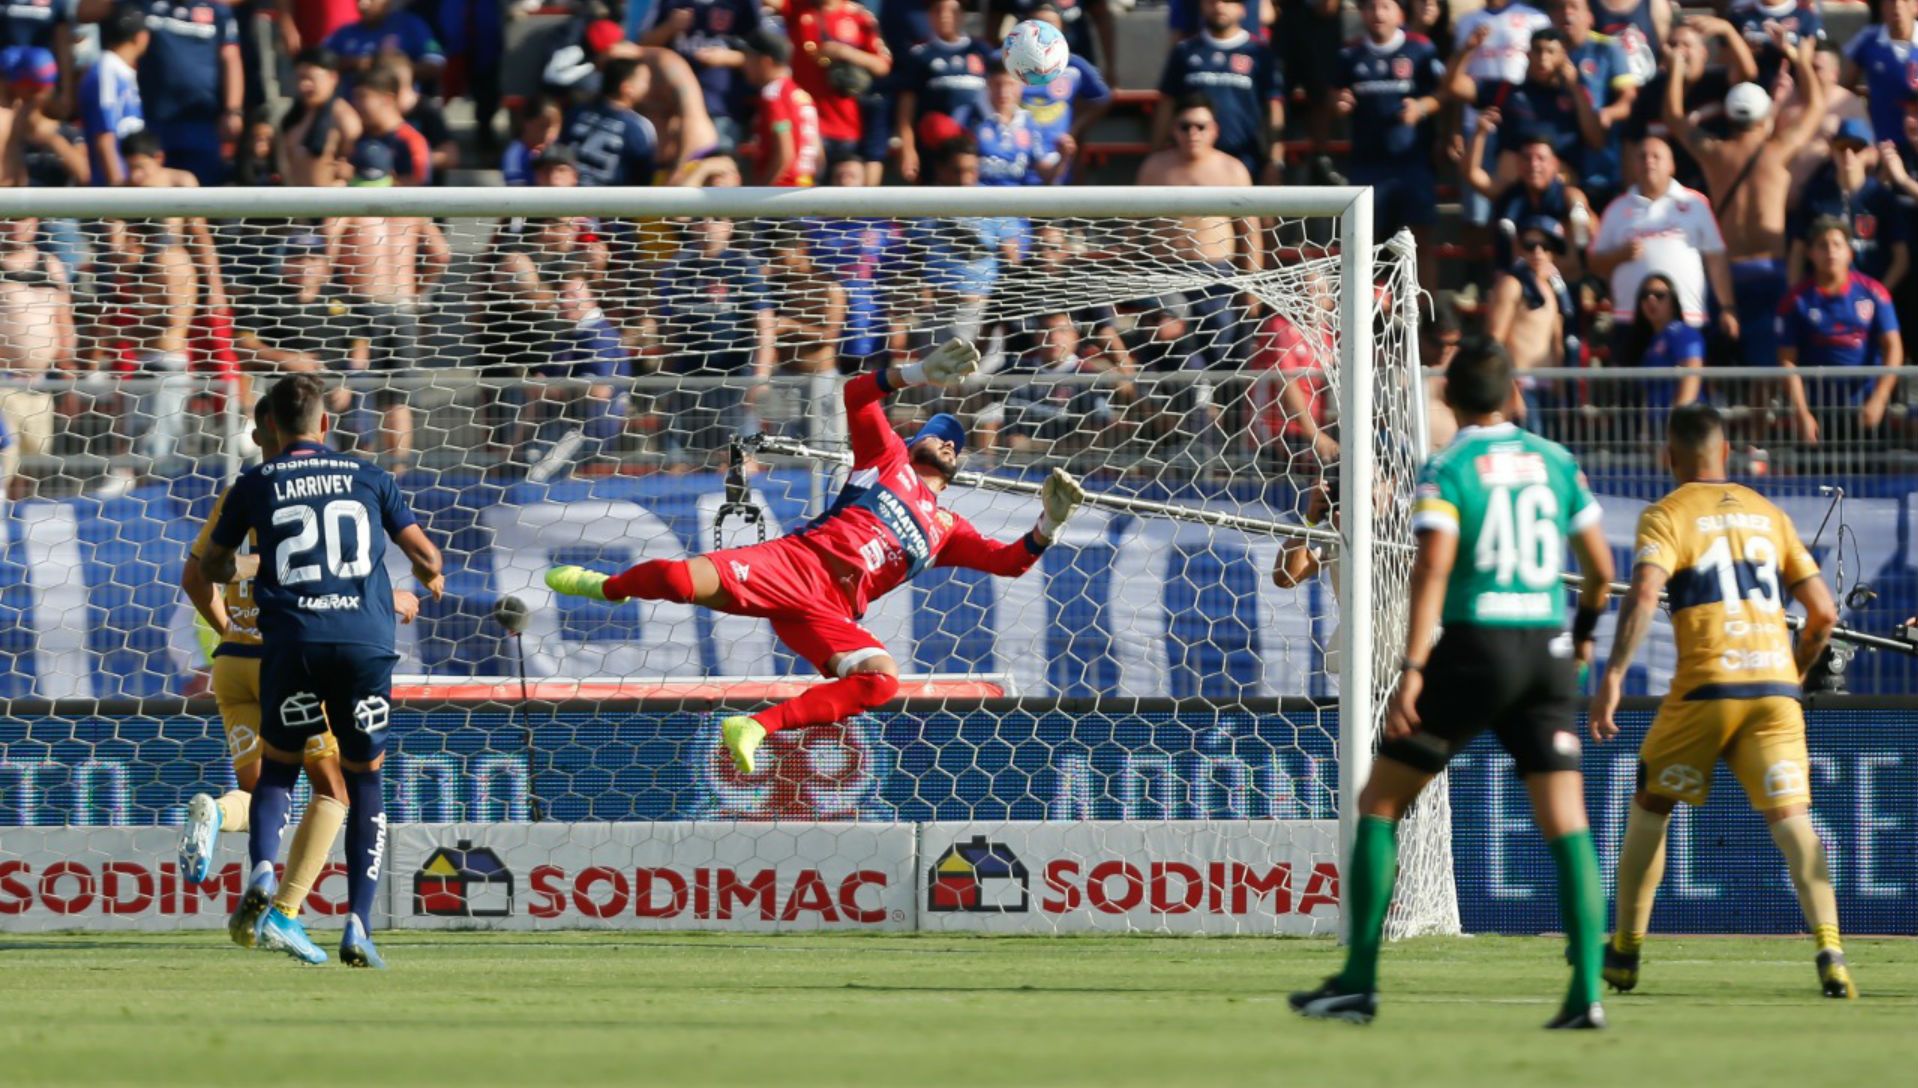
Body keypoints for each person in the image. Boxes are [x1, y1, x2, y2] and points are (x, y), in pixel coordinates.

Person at [544, 340, 1086, 775]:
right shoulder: (887, 458)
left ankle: (756, 727)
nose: (948, 443)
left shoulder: (948, 528)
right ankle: (605, 587)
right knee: (675, 578)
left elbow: (1011, 561)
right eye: (939, 434)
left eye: (955, 443)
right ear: (915, 438)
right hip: (794, 563)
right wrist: (918, 372)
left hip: (829, 611)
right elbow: (856, 394)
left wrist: (1051, 523)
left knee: (880, 681)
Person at [1290, 338, 1613, 1028]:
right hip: (1547, 650)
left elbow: (1431, 567)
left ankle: (1358, 978)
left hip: (1474, 649)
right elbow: (1601, 570)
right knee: (1568, 823)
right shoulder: (1558, 462)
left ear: (1449, 401)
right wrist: (1582, 639)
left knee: (1379, 802)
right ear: (1516, 395)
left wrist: (1412, 668)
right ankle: (1586, 990)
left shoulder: (1450, 466)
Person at [1589, 402, 1852, 1000]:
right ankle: (1831, 951)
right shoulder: (1770, 513)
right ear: (1727, 453)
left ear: (1668, 458)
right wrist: (1797, 670)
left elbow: (1646, 591)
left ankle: (1627, 949)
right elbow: (1823, 614)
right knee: (1793, 823)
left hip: (1707, 686)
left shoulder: (1666, 514)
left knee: (1651, 805)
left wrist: (1613, 676)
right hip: (1774, 690)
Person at [200, 374, 444, 968]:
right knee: (361, 784)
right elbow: (426, 556)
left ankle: (262, 869)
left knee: (279, 774)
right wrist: (428, 580)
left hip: (290, 648)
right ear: (325, 425)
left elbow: (209, 564)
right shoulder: (371, 477)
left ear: (271, 430)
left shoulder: (253, 483)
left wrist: (246, 568)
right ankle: (358, 926)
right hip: (364, 647)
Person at [1664, 30, 1824, 367]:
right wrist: (1800, 59)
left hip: (1729, 270)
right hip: (1773, 267)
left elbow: (1674, 118)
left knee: (1729, 362)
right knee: (1770, 362)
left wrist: (1676, 67)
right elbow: (1815, 106)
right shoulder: (1777, 152)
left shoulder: (1714, 154)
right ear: (1765, 114)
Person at [326, 140, 450, 467]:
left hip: (363, 307)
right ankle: (398, 477)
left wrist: (337, 190)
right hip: (404, 307)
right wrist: (416, 289)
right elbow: (441, 254)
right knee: (396, 400)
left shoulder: (349, 202)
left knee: (358, 394)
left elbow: (328, 244)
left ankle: (361, 470)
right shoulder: (411, 206)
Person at [1136, 94, 1262, 373]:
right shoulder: (1154, 168)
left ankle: (1217, 412)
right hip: (1165, 274)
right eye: (1185, 126)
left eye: (1201, 126)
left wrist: (1250, 285)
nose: (1193, 132)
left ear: (1214, 129)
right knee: (1169, 354)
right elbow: (1135, 230)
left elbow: (1249, 233)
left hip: (1217, 274)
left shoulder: (1232, 169)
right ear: (1173, 129)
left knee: (1221, 352)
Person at [1589, 137, 1739, 359]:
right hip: (1631, 319)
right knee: (1634, 392)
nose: (1649, 161)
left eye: (1656, 156)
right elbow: (1593, 264)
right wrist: (1619, 256)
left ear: (1671, 165)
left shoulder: (1695, 203)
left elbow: (1715, 258)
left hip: (1688, 316)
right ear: (1633, 165)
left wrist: (1727, 308)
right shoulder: (1617, 208)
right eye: (1642, 156)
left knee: (1688, 388)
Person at [1334, 0, 1445, 277]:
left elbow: (1445, 94)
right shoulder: (1350, 53)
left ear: (1400, 13)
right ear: (1362, 13)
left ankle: (1425, 312)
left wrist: (1421, 108)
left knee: (1419, 240)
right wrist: (1338, 102)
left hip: (1413, 161)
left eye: (1385, 6)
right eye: (1371, 7)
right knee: (1362, 240)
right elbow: (1334, 95)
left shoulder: (1420, 48)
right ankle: (1365, 313)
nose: (1378, 14)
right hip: (1368, 163)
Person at [1775, 217, 1904, 450]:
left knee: (1869, 484)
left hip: (1866, 407)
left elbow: (1893, 346)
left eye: (1837, 244)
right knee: (1816, 485)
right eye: (1822, 245)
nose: (1830, 252)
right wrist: (1802, 413)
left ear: (1849, 253)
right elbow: (1787, 361)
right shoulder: (1795, 301)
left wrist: (1880, 398)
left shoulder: (1873, 292)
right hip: (1818, 412)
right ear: (1811, 254)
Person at [1445, 27, 1606, 181]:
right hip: (1515, 189)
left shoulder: (1577, 97)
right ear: (1528, 54)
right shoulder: (1508, 91)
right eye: (1537, 50)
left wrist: (1575, 89)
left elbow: (1596, 141)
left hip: (1559, 192)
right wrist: (1467, 50)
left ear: (1563, 56)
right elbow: (1453, 86)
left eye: (1551, 52)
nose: (1543, 57)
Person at [1153, 0, 1285, 182]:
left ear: (1242, 8)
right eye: (1212, 1)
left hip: (1247, 161)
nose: (1219, 6)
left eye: (1228, 1)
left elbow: (1274, 107)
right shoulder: (1184, 52)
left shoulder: (1260, 54)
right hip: (1191, 165)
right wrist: (1156, 151)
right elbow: (1167, 103)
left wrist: (1275, 160)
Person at [1623, 16, 1756, 192]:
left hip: (1713, 188)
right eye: (1673, 45)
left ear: (1704, 52)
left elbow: (1749, 74)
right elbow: (1631, 144)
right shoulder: (1651, 91)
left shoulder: (1717, 83)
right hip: (1666, 195)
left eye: (1686, 45)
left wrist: (1728, 30)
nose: (1679, 51)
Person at [1789, 118, 1908, 291]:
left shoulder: (1882, 198)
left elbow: (1901, 258)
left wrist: (1878, 295)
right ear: (1832, 150)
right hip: (1824, 300)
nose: (1848, 155)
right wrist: (1796, 297)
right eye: (1842, 147)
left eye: (1856, 148)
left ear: (1870, 152)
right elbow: (1798, 251)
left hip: (1869, 299)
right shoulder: (1815, 195)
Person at [133, 0, 242, 187]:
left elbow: (231, 59)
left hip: (201, 123)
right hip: (154, 122)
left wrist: (233, 110)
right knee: (157, 198)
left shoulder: (217, 11)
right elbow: (87, 12)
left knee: (203, 196)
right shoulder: (145, 6)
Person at [1483, 214, 1578, 425]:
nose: (1538, 252)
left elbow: (1556, 342)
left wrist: (1561, 390)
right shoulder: (1511, 284)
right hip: (1523, 387)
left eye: (1545, 246)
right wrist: (1512, 390)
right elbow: (1494, 341)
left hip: (1548, 390)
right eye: (1530, 245)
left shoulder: (1551, 288)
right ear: (1518, 247)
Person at [638, 0, 767, 149]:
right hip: (672, 109)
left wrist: (728, 57)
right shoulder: (668, 3)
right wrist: (668, 27)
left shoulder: (744, 5)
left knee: (713, 163)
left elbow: (765, 59)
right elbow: (642, 47)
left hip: (721, 109)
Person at [787, 0, 891, 185]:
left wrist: (845, 52)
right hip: (807, 123)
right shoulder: (797, 7)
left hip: (846, 123)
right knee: (808, 196)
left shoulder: (858, 15)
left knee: (844, 200)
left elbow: (883, 65)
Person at [895, 0, 992, 183]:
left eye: (952, 10)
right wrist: (907, 149)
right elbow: (906, 108)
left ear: (962, 14)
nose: (945, 15)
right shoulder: (920, 55)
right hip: (935, 153)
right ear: (929, 16)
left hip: (979, 149)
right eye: (938, 10)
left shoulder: (981, 51)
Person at [1554, 0, 1637, 203]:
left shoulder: (1607, 48)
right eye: (1560, 7)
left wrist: (1609, 112)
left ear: (1590, 17)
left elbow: (1629, 97)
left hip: (1599, 160)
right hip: (1558, 158)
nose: (1567, 13)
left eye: (1573, 7)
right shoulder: (1547, 51)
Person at [1018, 3, 1110, 185]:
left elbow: (1102, 99)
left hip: (1057, 159)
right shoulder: (1006, 64)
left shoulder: (1074, 66)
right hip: (1016, 161)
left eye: (1051, 25)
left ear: (1062, 29)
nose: (1043, 33)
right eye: (1037, 25)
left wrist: (1074, 129)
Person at [560, 55, 658, 187]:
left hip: (566, 198)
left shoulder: (577, 112)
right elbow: (644, 177)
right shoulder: (638, 127)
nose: (648, 87)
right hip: (610, 203)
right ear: (627, 88)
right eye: (644, 82)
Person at [79, 3, 148, 187]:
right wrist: (117, 193)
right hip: (115, 188)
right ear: (141, 37)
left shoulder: (122, 70)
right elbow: (105, 134)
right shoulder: (107, 70)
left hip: (130, 183)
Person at [1842, 0, 1918, 162]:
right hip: (1882, 147)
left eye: (1904, 1)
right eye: (1890, 1)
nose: (1897, 6)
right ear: (1882, 7)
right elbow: (1844, 87)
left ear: (1916, 6)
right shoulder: (1868, 39)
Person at [1619, 272, 1704, 413]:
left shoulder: (1681, 332)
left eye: (1659, 295)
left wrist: (1678, 418)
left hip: (1684, 425)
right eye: (1645, 295)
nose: (1651, 300)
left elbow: (1692, 373)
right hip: (1658, 427)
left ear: (1673, 300)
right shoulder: (1649, 341)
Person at [280, 47, 362, 187]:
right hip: (294, 202)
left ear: (332, 77)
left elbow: (352, 171)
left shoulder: (345, 119)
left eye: (311, 79)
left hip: (329, 204)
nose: (304, 85)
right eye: (300, 78)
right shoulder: (295, 116)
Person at [748, 35, 823, 188]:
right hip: (805, 188)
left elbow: (785, 153)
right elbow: (819, 155)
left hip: (780, 193)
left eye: (748, 59)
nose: (744, 65)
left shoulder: (773, 95)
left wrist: (758, 195)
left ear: (765, 62)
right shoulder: (802, 96)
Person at [960, 67, 1053, 186]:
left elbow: (1046, 174)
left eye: (1010, 84)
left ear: (1021, 86)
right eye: (997, 84)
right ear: (988, 85)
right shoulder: (969, 119)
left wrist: (1065, 156)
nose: (1003, 92)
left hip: (1020, 200)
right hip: (981, 199)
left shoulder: (1030, 124)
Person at [324, 0, 444, 87]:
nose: (363, 4)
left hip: (400, 112)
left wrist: (395, 70)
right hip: (352, 108)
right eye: (358, 0)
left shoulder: (411, 25)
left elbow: (435, 63)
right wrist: (353, 63)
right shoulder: (344, 32)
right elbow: (320, 62)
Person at [352, 63, 431, 186]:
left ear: (387, 98)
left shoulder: (411, 141)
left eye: (363, 97)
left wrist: (382, 181)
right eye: (355, 98)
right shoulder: (358, 137)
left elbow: (418, 185)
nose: (356, 104)